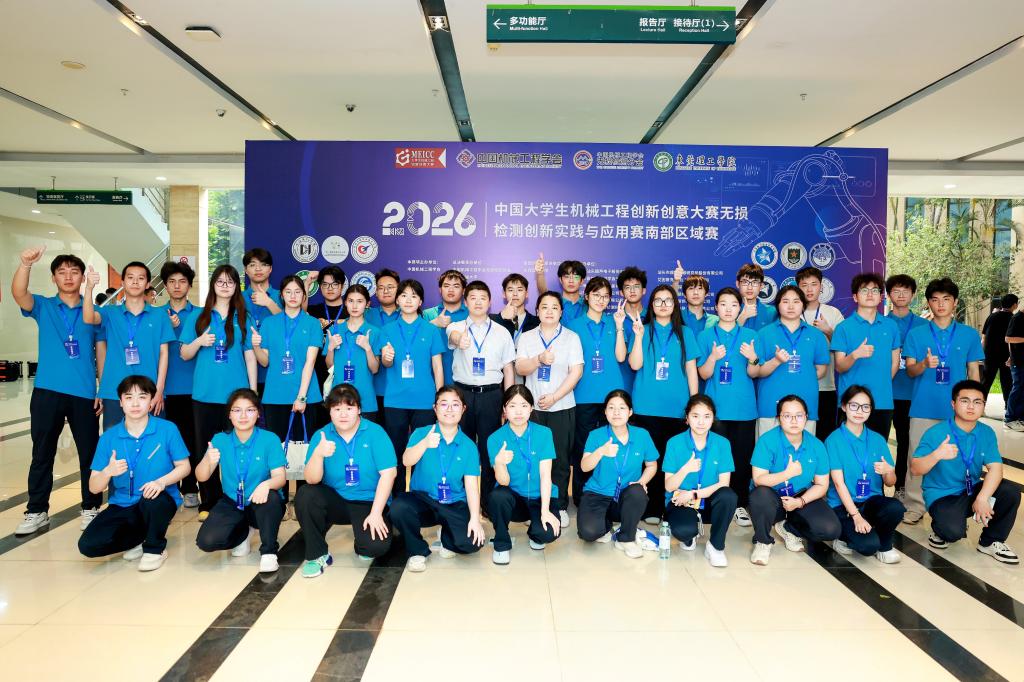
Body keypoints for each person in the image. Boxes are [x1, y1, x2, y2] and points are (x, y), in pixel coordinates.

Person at [12, 246, 103, 535]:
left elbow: (101, 351)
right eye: (62, 272)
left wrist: (102, 388)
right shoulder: (44, 306)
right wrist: (25, 264)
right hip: (47, 391)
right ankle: (36, 510)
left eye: (74, 272)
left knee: (89, 453)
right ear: (53, 278)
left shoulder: (93, 312)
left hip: (84, 393)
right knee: (42, 453)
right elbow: (19, 294)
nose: (68, 276)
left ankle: (91, 507)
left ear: (82, 278)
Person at [78, 375, 190, 572]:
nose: (135, 403)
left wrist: (161, 482)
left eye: (142, 397)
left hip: (159, 499)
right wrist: (107, 472)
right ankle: (139, 539)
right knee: (88, 545)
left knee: (152, 500)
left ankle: (155, 549)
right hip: (122, 503)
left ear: (151, 400)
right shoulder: (108, 438)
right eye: (129, 397)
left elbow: (184, 466)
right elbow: (94, 487)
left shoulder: (167, 429)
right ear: (121, 402)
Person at [902, 278, 983, 524]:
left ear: (955, 302)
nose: (940, 304)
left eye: (946, 299)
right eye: (935, 299)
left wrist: (975, 403)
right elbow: (910, 371)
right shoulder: (916, 334)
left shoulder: (969, 334)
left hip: (957, 411)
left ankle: (954, 504)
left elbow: (973, 371)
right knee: (917, 456)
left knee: (957, 458)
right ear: (928, 302)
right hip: (923, 407)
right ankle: (915, 505)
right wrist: (924, 364)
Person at [912, 380, 1019, 563]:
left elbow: (996, 468)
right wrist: (937, 455)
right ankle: (940, 528)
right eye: (965, 401)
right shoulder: (936, 433)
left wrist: (982, 498)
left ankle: (990, 541)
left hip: (971, 489)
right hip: (942, 495)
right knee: (952, 532)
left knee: (1010, 492)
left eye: (977, 402)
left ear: (983, 405)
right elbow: (915, 469)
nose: (971, 406)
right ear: (953, 404)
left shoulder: (986, 432)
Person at [180, 265, 258, 518]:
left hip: (237, 398)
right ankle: (209, 502)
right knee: (206, 449)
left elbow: (250, 357)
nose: (225, 286)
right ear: (213, 285)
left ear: (237, 287)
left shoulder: (243, 317)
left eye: (230, 282)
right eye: (220, 282)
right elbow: (184, 353)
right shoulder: (199, 316)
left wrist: (252, 393)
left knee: (240, 448)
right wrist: (199, 341)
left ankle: (241, 498)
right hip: (204, 395)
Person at [295, 384, 397, 577]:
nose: (343, 414)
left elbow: (389, 474)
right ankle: (318, 555)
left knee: (375, 548)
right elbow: (311, 479)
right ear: (329, 411)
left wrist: (376, 513)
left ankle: (362, 540)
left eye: (349, 408)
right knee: (306, 494)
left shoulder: (375, 433)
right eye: (337, 409)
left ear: (359, 409)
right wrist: (318, 454)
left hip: (368, 501)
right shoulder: (322, 435)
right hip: (336, 499)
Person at [390, 386, 485, 572]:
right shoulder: (421, 433)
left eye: (455, 404)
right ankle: (417, 550)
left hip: (453, 502)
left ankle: (446, 535)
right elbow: (406, 460)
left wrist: (474, 518)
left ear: (463, 409)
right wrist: (425, 444)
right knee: (398, 508)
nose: (449, 409)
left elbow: (472, 486)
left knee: (472, 543)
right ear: (435, 408)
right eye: (444, 404)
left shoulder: (469, 446)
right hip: (423, 500)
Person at [195, 389, 286, 572]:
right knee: (206, 541)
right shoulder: (220, 440)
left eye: (250, 410)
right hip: (233, 501)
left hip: (261, 500)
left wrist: (266, 485)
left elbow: (280, 478)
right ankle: (243, 533)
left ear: (258, 413)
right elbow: (201, 476)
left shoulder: (269, 439)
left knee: (271, 499)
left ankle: (269, 552)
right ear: (229, 414)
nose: (243, 416)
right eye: (237, 410)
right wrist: (208, 461)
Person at [628, 284, 699, 523]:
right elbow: (635, 365)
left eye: (668, 300)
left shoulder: (685, 333)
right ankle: (650, 508)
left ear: (675, 304)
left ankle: (672, 507)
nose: (663, 304)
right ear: (651, 305)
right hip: (646, 407)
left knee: (673, 461)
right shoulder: (642, 329)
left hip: (677, 408)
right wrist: (638, 336)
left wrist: (694, 406)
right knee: (650, 460)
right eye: (658, 300)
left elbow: (691, 370)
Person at [253, 274, 325, 502]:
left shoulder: (312, 324)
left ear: (304, 295)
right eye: (288, 292)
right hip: (275, 395)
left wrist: (301, 397)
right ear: (281, 296)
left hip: (307, 395)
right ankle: (280, 500)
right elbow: (265, 361)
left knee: (305, 449)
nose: (293, 296)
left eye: (297, 292)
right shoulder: (269, 323)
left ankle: (304, 500)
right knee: (277, 451)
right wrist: (256, 347)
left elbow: (310, 363)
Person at [515, 291, 584, 528]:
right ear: (537, 311)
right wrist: (539, 359)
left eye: (555, 307)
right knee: (532, 457)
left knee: (560, 459)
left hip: (562, 406)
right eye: (544, 307)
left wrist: (555, 397)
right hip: (532, 408)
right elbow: (520, 368)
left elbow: (576, 372)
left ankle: (560, 505)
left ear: (561, 312)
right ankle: (534, 505)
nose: (549, 311)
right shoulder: (527, 337)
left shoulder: (571, 338)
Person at [446, 281, 515, 510]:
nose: (478, 302)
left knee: (489, 450)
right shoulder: (456, 326)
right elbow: (453, 337)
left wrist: (508, 403)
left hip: (491, 396)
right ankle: (459, 501)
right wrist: (460, 340)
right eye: (473, 298)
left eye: (482, 298)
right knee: (460, 448)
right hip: (462, 396)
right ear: (465, 302)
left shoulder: (501, 332)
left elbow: (508, 370)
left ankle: (486, 502)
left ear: (490, 302)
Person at [749, 395, 840, 565]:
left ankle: (788, 528)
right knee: (760, 495)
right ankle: (762, 541)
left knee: (830, 529)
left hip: (800, 495)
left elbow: (822, 485)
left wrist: (800, 501)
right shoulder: (767, 441)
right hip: (772, 496)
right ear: (779, 418)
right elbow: (759, 479)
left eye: (799, 415)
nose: (793, 421)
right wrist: (787, 474)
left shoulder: (816, 445)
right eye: (787, 416)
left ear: (806, 417)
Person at [373, 278, 445, 493]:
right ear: (397, 300)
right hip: (395, 400)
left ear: (420, 301)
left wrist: (439, 399)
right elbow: (385, 364)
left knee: (423, 452)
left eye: (413, 296)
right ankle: (395, 498)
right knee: (395, 452)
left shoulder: (430, 330)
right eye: (403, 295)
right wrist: (387, 358)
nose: (408, 300)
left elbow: (438, 367)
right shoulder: (387, 330)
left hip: (425, 400)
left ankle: (421, 496)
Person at [83, 261, 174, 429]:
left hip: (150, 391)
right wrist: (89, 288)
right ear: (123, 282)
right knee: (116, 440)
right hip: (115, 391)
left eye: (141, 278)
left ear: (148, 284)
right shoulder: (110, 313)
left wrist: (159, 390)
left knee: (153, 440)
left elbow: (164, 354)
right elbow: (88, 318)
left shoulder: (160, 315)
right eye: (130, 278)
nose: (135, 282)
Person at [697, 286, 758, 528]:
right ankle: (714, 503)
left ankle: (739, 504)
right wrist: (713, 357)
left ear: (740, 308)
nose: (729, 309)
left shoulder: (750, 335)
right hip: (715, 410)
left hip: (744, 409)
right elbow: (703, 374)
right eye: (723, 304)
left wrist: (753, 357)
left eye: (734, 304)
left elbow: (754, 373)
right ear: (716, 307)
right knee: (715, 459)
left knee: (741, 460)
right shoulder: (705, 336)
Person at [566, 277, 628, 507]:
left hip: (612, 396)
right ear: (587, 296)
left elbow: (621, 357)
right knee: (584, 447)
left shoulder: (615, 322)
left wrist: (620, 327)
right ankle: (582, 496)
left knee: (611, 445)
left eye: (605, 296)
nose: (601, 300)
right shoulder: (574, 325)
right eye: (596, 295)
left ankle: (608, 494)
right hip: (584, 395)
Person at [826, 385, 904, 563]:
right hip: (843, 506)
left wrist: (888, 471)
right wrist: (856, 516)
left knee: (895, 508)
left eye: (865, 407)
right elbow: (838, 483)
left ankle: (885, 546)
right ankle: (843, 536)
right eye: (854, 406)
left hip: (870, 502)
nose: (859, 411)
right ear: (844, 406)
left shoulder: (877, 439)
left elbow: (891, 482)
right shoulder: (834, 440)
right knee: (867, 546)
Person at [577, 390, 658, 559]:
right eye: (611, 408)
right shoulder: (596, 435)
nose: (616, 412)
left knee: (638, 492)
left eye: (622, 408)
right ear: (605, 412)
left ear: (630, 412)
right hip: (597, 493)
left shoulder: (642, 435)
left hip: (626, 495)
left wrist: (642, 481)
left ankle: (626, 538)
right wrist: (601, 451)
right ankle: (606, 526)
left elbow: (652, 465)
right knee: (588, 533)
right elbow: (584, 467)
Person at [486, 385, 561, 564]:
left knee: (547, 533)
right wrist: (499, 463)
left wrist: (545, 511)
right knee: (497, 496)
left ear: (531, 408)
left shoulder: (544, 433)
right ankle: (501, 544)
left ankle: (535, 529)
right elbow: (503, 482)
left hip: (540, 497)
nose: (518, 411)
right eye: (512, 406)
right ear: (504, 410)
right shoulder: (495, 438)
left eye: (524, 405)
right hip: (515, 499)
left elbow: (545, 475)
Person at [663, 395, 737, 567]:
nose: (701, 422)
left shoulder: (722, 444)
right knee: (683, 531)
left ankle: (715, 546)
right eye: (695, 416)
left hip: (707, 500)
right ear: (687, 418)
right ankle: (690, 535)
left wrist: (693, 494)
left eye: (707, 416)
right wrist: (685, 469)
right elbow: (669, 486)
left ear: (713, 418)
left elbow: (723, 484)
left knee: (728, 495)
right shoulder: (674, 443)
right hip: (681, 501)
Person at [755, 285, 830, 436]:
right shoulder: (763, 334)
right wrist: (776, 362)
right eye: (785, 301)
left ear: (803, 305)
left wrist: (801, 377)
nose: (790, 306)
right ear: (777, 305)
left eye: (796, 301)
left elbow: (822, 370)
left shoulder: (816, 335)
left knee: (804, 448)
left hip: (805, 403)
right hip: (770, 404)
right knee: (768, 449)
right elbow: (758, 372)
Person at [832, 272, 900, 437]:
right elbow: (839, 366)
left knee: (878, 449)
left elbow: (895, 364)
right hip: (851, 402)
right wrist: (855, 355)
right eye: (864, 290)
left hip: (882, 401)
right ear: (855, 297)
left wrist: (881, 383)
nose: (870, 294)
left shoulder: (891, 326)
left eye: (875, 290)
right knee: (848, 449)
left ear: (881, 296)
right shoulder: (843, 328)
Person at [159, 261, 199, 509]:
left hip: (195, 388)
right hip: (164, 390)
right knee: (167, 441)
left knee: (192, 441)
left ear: (189, 285)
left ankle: (191, 488)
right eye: (172, 282)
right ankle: (168, 488)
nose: (177, 286)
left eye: (182, 281)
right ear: (165, 286)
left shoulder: (200, 314)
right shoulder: (156, 314)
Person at [885, 274, 929, 495]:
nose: (901, 295)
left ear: (913, 294)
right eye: (896, 291)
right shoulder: (881, 323)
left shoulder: (924, 326)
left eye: (906, 291)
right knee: (878, 441)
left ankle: (901, 486)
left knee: (906, 441)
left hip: (912, 393)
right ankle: (873, 488)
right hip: (883, 392)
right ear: (888, 295)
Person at [797, 266, 845, 440]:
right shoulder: (791, 311)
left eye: (814, 284)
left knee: (825, 436)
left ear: (821, 286)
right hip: (796, 384)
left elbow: (845, 349)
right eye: (804, 285)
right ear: (798, 287)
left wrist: (828, 331)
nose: (809, 289)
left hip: (825, 387)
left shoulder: (833, 313)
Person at [325, 283, 381, 421]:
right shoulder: (334, 330)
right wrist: (330, 348)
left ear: (367, 304)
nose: (355, 306)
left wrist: (367, 348)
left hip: (365, 399)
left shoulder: (374, 332)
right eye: (351, 301)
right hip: (339, 399)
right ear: (345, 303)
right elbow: (329, 366)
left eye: (359, 301)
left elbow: (375, 369)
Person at [241, 247, 282, 391]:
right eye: (252, 265)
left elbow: (291, 324)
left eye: (263, 264)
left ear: (270, 269)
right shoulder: (237, 298)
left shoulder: (283, 295)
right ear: (246, 270)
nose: (258, 269)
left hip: (277, 369)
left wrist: (269, 303)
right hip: (244, 371)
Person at [365, 268, 402, 417]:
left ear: (399, 289)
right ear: (376, 292)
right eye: (381, 288)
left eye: (390, 287)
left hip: (401, 387)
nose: (385, 291)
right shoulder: (366, 314)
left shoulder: (408, 314)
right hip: (373, 387)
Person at [423, 269, 469, 385]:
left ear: (464, 290)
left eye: (456, 286)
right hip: (433, 378)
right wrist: (433, 324)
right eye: (446, 286)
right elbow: (415, 342)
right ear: (440, 289)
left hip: (465, 380)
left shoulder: (471, 314)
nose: (451, 290)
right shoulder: (428, 314)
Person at [305, 266, 347, 391]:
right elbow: (299, 315)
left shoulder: (352, 310)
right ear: (320, 287)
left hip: (344, 366)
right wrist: (307, 283)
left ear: (342, 286)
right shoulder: (312, 311)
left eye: (335, 284)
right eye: (325, 284)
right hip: (316, 369)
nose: (330, 288)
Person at [615, 265, 648, 391]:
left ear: (644, 290)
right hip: (619, 384)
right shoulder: (614, 319)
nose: (632, 291)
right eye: (627, 287)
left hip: (645, 385)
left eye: (636, 286)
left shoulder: (652, 318)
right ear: (621, 292)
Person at [981, 294, 1016, 404]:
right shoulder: (1014, 319)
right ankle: (1008, 407)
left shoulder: (992, 316)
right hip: (1006, 356)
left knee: (986, 381)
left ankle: (979, 405)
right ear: (1014, 305)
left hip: (990, 354)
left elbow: (984, 337)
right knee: (1007, 382)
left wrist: (981, 354)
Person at [534, 253, 587, 323]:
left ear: (582, 281)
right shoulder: (554, 301)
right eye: (567, 276)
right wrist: (540, 274)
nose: (571, 281)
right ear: (560, 280)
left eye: (576, 277)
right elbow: (543, 292)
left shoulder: (588, 304)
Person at [491, 273, 539, 348]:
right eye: (511, 290)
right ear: (504, 294)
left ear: (526, 293)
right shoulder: (493, 321)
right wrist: (501, 318)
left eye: (519, 290)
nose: (515, 294)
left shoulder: (537, 322)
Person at [736, 263, 778, 331]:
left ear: (761, 286)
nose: (750, 287)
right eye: (745, 282)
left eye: (755, 282)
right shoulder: (729, 310)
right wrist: (742, 317)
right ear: (738, 284)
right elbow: (724, 336)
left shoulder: (772, 312)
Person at [677, 272, 719, 338]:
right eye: (691, 288)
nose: (695, 292)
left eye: (700, 288)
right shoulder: (677, 317)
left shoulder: (715, 320)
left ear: (706, 294)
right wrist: (676, 281)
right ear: (684, 295)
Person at [1006, 302, 1024, 430]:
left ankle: (1020, 418)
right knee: (1017, 388)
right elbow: (1008, 338)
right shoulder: (1017, 318)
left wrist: (1010, 356)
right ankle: (1010, 418)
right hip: (1019, 361)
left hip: (1020, 360)